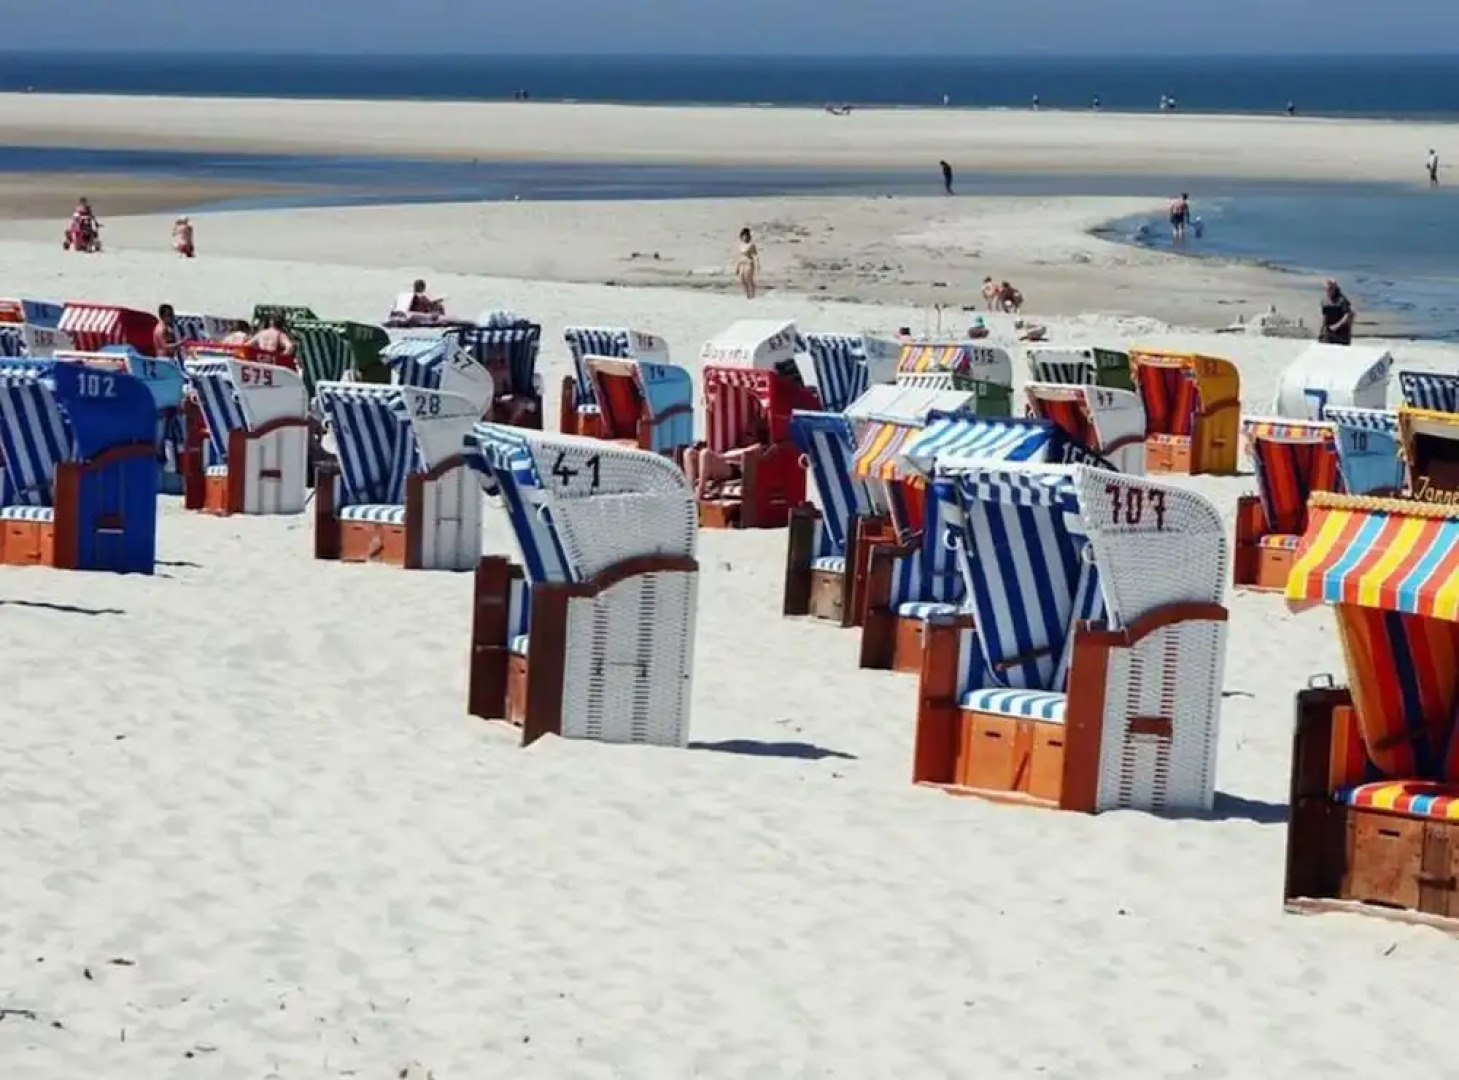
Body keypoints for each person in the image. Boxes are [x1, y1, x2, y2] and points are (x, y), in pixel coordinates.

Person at [683, 419, 769, 499]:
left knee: (705, 453)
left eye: (749, 434)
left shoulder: (759, 446)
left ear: (758, 435)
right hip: (723, 464)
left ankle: (700, 493)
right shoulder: (740, 444)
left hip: (733, 470)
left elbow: (741, 454)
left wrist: (721, 457)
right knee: (689, 453)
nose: (745, 436)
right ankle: (689, 490)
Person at [1319, 279, 1355, 345]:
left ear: (1335, 288)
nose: (1329, 290)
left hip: (1342, 333)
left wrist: (1337, 326)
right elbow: (1325, 317)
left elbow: (1348, 315)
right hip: (1329, 332)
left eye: (1331, 288)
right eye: (1327, 289)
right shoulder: (1324, 301)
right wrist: (1322, 331)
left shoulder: (1342, 300)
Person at [735, 227, 759, 299]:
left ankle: (752, 295)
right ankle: (747, 294)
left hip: (749, 263)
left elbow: (755, 255)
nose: (745, 237)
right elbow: (739, 256)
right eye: (743, 235)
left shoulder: (751, 245)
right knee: (742, 279)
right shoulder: (740, 245)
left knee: (748, 279)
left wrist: (758, 264)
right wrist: (737, 267)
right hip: (742, 263)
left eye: (746, 235)